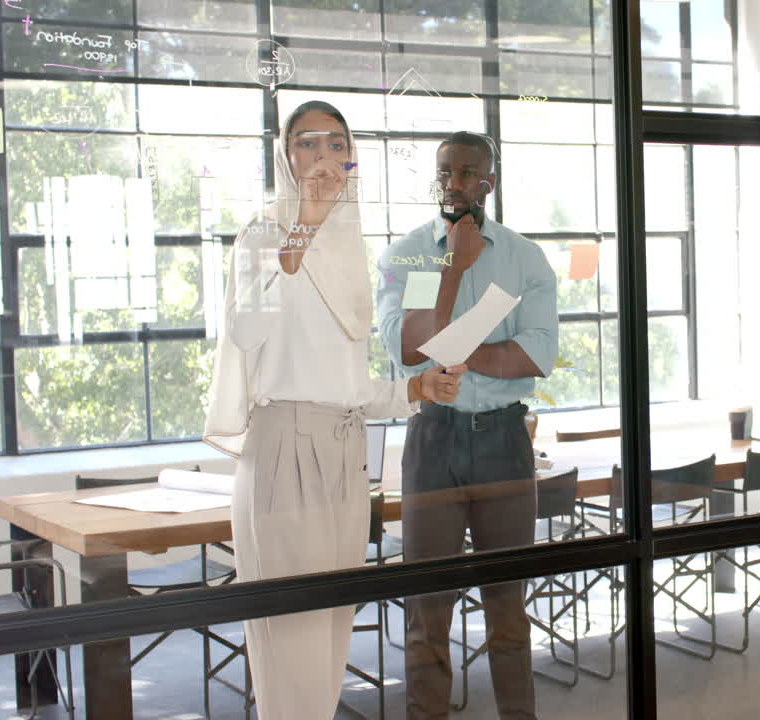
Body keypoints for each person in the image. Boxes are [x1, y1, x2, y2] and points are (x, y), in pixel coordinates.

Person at [203, 100, 465, 719]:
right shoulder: (264, 231)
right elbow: (245, 329)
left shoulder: (351, 245)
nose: (324, 157)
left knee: (327, 648)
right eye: (308, 143)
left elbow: (345, 384)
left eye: (336, 144)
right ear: (285, 156)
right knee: (288, 653)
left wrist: (414, 390)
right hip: (283, 450)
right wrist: (304, 224)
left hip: (346, 457)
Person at [377, 131, 558, 720]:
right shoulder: (409, 255)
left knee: (509, 605)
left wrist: (455, 347)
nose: (454, 184)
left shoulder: (525, 258)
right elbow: (408, 348)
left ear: (489, 182)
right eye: (445, 173)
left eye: (467, 173)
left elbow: (534, 355)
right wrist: (453, 264)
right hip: (434, 440)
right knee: (427, 610)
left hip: (505, 441)